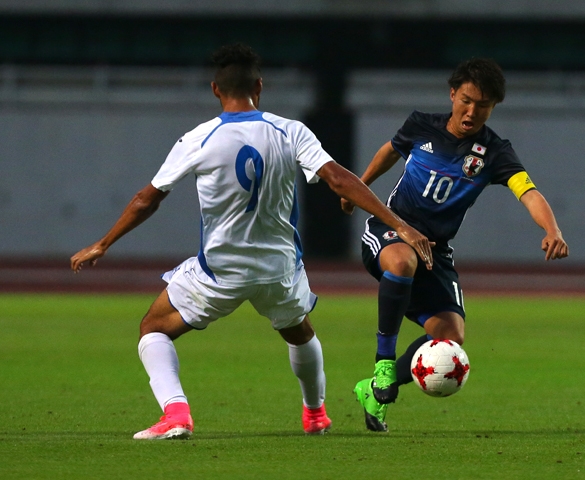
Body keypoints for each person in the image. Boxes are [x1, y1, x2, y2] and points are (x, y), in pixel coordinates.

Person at [70, 43, 432, 439]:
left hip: (219, 272)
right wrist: (401, 224)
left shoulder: (198, 139)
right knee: (299, 332)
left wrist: (103, 243)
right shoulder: (290, 131)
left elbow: (146, 200)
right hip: (279, 270)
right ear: (259, 86)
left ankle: (176, 414)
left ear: (214, 89)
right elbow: (340, 179)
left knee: (153, 329)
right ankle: (315, 415)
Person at [341, 57, 569, 432]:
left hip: (435, 250)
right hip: (391, 231)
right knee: (400, 263)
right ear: (452, 94)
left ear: (493, 107)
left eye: (483, 105)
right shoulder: (420, 126)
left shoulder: (494, 152)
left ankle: (372, 390)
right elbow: (389, 151)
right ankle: (383, 363)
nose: (472, 111)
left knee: (451, 337)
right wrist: (359, 187)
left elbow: (527, 192)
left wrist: (552, 229)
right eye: (466, 99)